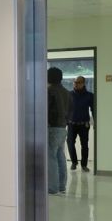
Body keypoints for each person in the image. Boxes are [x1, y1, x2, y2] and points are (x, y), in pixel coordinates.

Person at [47, 67, 70, 195]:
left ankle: (52, 187)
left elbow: (46, 110)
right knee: (60, 156)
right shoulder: (67, 92)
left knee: (51, 157)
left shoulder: (50, 91)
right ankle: (62, 186)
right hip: (63, 127)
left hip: (52, 128)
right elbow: (70, 110)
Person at [67, 76, 95, 172]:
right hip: (71, 124)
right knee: (70, 143)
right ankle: (74, 162)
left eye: (78, 82)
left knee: (84, 145)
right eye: (74, 82)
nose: (76, 84)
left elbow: (93, 109)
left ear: (83, 83)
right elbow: (65, 109)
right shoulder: (69, 94)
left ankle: (84, 165)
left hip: (84, 124)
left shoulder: (89, 95)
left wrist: (96, 122)